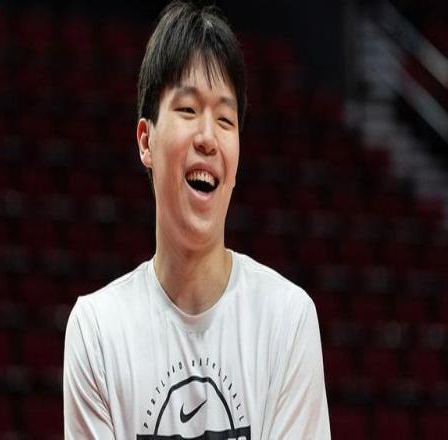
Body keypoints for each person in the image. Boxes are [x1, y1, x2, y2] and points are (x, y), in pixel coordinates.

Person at [63, 1, 330, 438]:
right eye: (188, 110)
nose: (208, 137)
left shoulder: (287, 320)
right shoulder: (97, 331)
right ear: (146, 140)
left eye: (225, 119)